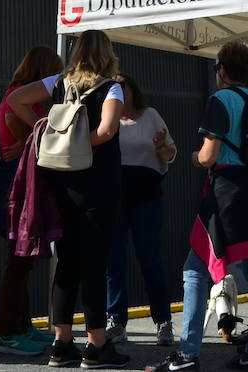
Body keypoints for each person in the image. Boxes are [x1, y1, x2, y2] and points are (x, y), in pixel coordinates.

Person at [148, 42, 248, 372]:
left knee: (194, 270)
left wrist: (194, 158)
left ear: (222, 70)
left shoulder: (220, 100)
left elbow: (209, 154)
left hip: (227, 194)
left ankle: (187, 354)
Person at [9, 30, 129, 369]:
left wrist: (47, 134)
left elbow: (16, 99)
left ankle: (61, 342)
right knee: (94, 263)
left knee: (66, 262)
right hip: (97, 186)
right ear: (107, 53)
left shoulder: (59, 82)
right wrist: (79, 144)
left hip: (60, 183)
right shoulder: (111, 87)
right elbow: (107, 131)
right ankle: (97, 344)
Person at [0, 45, 60, 356]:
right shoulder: (22, 97)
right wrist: (23, 140)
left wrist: (17, 141)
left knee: (23, 259)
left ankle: (22, 325)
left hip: (14, 179)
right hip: (17, 184)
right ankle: (8, 333)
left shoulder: (11, 93)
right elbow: (23, 130)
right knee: (17, 262)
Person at [106, 72, 178, 347]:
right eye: (113, 89)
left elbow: (171, 154)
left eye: (122, 87)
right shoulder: (108, 120)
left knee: (150, 260)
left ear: (133, 91)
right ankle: (117, 322)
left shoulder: (150, 116)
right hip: (115, 199)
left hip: (147, 197)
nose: (119, 93)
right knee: (114, 262)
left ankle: (163, 322)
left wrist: (161, 147)